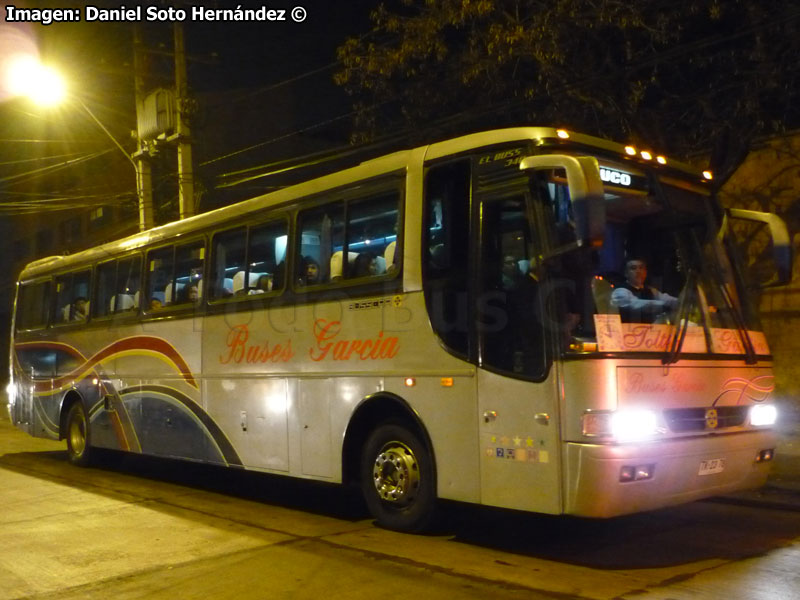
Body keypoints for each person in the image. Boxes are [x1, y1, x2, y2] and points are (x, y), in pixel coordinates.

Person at [610, 258, 678, 323]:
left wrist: (682, 302)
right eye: (633, 268)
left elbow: (667, 299)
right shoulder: (619, 291)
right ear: (626, 273)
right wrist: (664, 304)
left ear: (645, 272)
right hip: (625, 332)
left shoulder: (650, 290)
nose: (638, 271)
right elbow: (636, 304)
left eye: (641, 268)